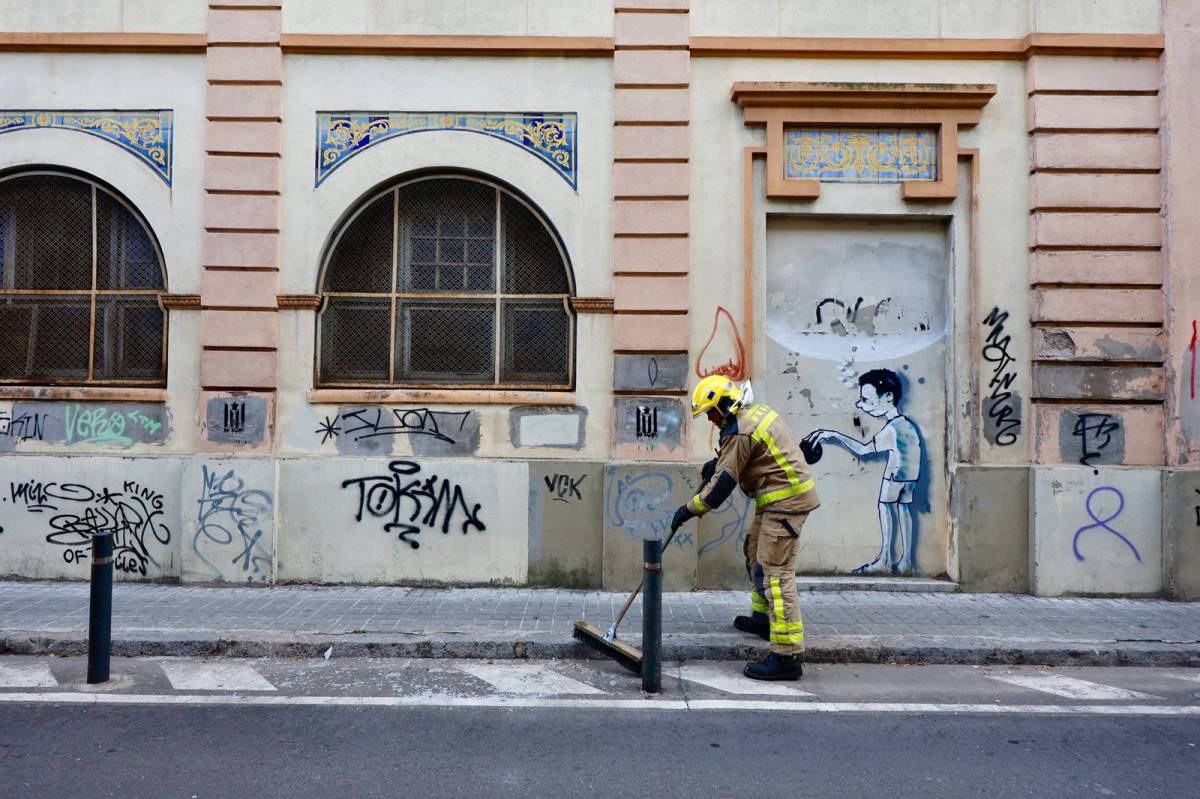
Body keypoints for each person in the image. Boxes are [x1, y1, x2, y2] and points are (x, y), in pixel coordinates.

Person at [670, 375, 819, 681]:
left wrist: (687, 510)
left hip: (785, 502)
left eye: (711, 412)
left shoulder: (739, 432)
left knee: (776, 574)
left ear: (723, 405)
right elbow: (743, 458)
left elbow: (720, 488)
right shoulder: (752, 414)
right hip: (776, 498)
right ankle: (763, 619)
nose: (710, 419)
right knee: (754, 552)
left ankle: (786, 655)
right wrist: (718, 464)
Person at [803, 368, 922, 574]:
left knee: (885, 507)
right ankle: (906, 561)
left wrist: (833, 434)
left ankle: (885, 560)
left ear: (888, 397)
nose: (860, 404)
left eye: (866, 399)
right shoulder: (907, 425)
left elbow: (863, 449)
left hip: (895, 474)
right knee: (904, 509)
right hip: (911, 477)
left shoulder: (892, 429)